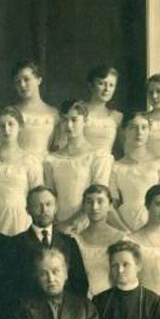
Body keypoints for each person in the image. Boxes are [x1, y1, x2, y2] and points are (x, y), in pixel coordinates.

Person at [43, 99, 115, 231]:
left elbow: (98, 197)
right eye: (65, 120)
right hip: (58, 225)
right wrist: (57, 225)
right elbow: (50, 196)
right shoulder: (52, 159)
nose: (69, 125)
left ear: (85, 121)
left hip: (87, 223)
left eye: (74, 120)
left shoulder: (97, 156)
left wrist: (71, 223)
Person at [10, 186, 89, 301]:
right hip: (28, 311)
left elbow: (80, 283)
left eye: (48, 204)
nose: (44, 210)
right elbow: (12, 286)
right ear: (28, 210)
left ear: (56, 208)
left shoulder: (69, 243)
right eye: (38, 205)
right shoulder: (15, 244)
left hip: (64, 310)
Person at [0, 106, 44, 236]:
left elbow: (38, 196)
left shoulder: (30, 161)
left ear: (20, 127)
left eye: (11, 124)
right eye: (1, 125)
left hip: (23, 219)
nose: (6, 129)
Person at [109, 111, 160, 233]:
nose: (139, 133)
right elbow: (110, 205)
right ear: (124, 131)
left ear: (149, 130)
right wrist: (125, 231)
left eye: (144, 127)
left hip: (156, 220)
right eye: (133, 128)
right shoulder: (116, 167)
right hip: (125, 222)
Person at [69, 184, 128, 298]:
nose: (94, 207)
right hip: (83, 301)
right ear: (84, 206)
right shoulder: (74, 240)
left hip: (114, 300)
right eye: (89, 202)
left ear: (110, 205)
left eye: (100, 201)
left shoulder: (122, 239)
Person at [10, 59, 59, 154]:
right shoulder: (11, 112)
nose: (22, 85)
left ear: (39, 80)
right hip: (19, 166)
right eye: (17, 81)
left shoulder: (53, 113)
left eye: (26, 79)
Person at [82, 65, 123, 154]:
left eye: (111, 85)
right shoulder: (78, 111)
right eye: (101, 83)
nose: (107, 89)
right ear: (91, 85)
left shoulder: (116, 116)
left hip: (104, 166)